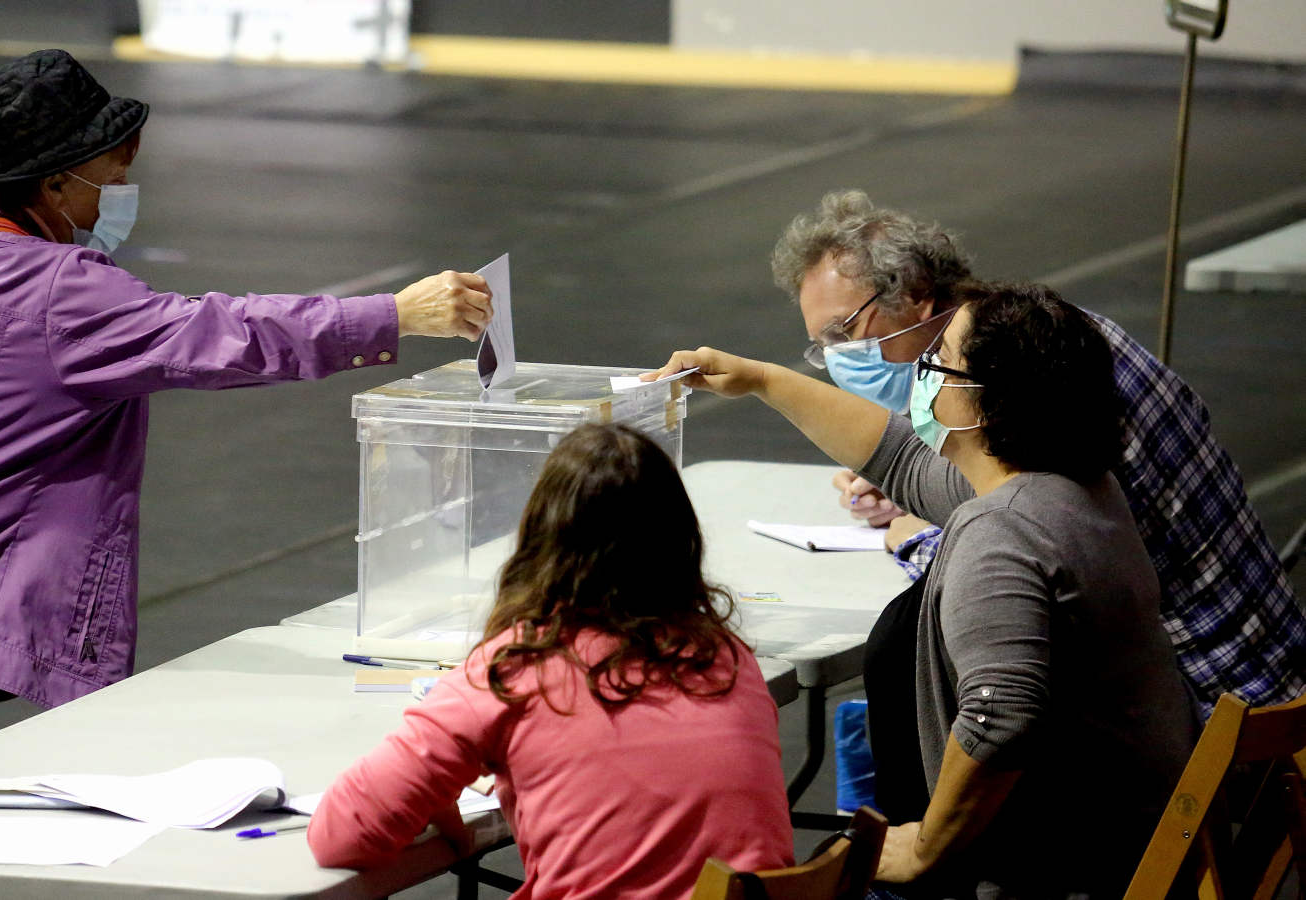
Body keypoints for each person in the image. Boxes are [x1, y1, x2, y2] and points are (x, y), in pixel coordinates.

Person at [0, 48, 492, 842]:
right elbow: (216, 335)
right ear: (54, 183)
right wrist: (393, 315)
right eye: (112, 177)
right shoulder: (52, 290)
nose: (122, 192)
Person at [652, 282, 1198, 896]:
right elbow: (901, 460)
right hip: (1125, 839)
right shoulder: (1071, 485)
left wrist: (926, 848)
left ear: (983, 405)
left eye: (939, 363)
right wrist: (762, 380)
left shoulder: (1002, 531)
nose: (922, 373)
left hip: (1051, 870)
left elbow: (1001, 715)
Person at [772, 190, 1306, 717]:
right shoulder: (1060, 335)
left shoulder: (1024, 388)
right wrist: (922, 486)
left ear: (915, 292)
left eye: (845, 331)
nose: (840, 358)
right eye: (824, 346)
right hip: (1273, 675)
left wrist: (917, 539)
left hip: (1205, 707)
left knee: (922, 659)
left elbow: (1026, 576)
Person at [307, 423, 793, 898]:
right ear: (680, 537)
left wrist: (430, 790)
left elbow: (340, 836)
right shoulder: (728, 660)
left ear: (541, 538)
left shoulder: (512, 672)